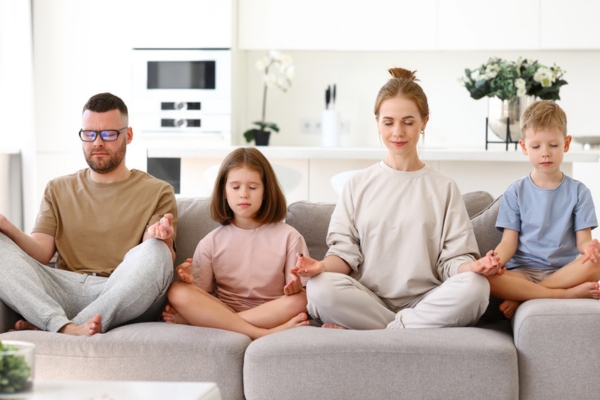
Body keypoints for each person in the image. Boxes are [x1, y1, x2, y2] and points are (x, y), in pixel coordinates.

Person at [293, 68, 500, 330]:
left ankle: (376, 330)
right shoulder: (357, 185)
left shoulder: (444, 188)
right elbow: (344, 255)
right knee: (320, 287)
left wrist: (474, 266)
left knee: (476, 287)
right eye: (388, 122)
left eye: (408, 122)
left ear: (424, 122)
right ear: (377, 121)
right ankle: (407, 329)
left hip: (427, 300)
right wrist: (319, 266)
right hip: (367, 298)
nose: (397, 132)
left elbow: (452, 261)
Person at [0, 92, 177, 336]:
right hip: (64, 287)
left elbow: (149, 259)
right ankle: (64, 325)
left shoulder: (158, 191)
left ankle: (57, 326)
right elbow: (41, 252)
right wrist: (6, 226)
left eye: (108, 134)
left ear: (129, 135)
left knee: (157, 252)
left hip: (122, 292)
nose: (98, 143)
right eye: (90, 134)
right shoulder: (57, 188)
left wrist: (161, 238)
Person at [163, 147, 309, 339]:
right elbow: (200, 295)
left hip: (273, 311)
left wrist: (297, 287)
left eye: (253, 187)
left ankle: (218, 323)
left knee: (301, 300)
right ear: (224, 191)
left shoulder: (290, 237)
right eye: (235, 187)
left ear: (266, 191)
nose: (243, 194)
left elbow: (303, 293)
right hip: (227, 308)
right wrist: (189, 281)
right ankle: (261, 333)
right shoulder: (211, 242)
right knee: (178, 290)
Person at [485, 100, 600, 319]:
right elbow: (508, 243)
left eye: (553, 145)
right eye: (536, 146)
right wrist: (493, 262)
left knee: (598, 262)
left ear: (566, 144)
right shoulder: (515, 192)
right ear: (524, 147)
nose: (545, 153)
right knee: (484, 279)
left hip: (564, 271)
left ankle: (525, 296)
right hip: (523, 273)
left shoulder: (579, 192)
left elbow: (583, 241)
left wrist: (591, 249)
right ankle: (565, 295)